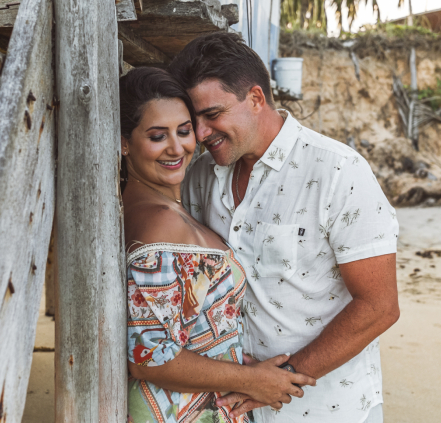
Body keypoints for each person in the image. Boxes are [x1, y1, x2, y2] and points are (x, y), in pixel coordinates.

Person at [169, 32, 400, 423]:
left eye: (213, 115)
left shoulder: (338, 171)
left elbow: (379, 307)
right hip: (232, 409)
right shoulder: (200, 178)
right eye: (195, 121)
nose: (202, 133)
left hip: (328, 410)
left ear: (256, 99)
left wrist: (284, 379)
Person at [120, 67, 316, 423]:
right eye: (156, 136)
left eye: (183, 131)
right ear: (123, 142)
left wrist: (236, 361)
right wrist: (252, 380)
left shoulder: (161, 208)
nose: (176, 147)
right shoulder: (159, 222)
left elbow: (189, 327)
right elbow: (149, 357)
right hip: (176, 412)